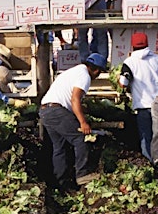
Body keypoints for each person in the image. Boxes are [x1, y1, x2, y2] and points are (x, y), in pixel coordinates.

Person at [39, 53, 107, 191]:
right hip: (56, 111)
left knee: (59, 147)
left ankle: (61, 183)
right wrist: (83, 122)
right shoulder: (84, 76)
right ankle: (83, 174)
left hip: (45, 111)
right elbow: (75, 100)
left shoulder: (74, 71)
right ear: (96, 70)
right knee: (80, 138)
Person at [118, 32, 158, 161]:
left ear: (132, 45)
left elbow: (123, 83)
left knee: (146, 138)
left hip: (143, 106)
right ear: (147, 44)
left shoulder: (129, 62)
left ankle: (151, 165)